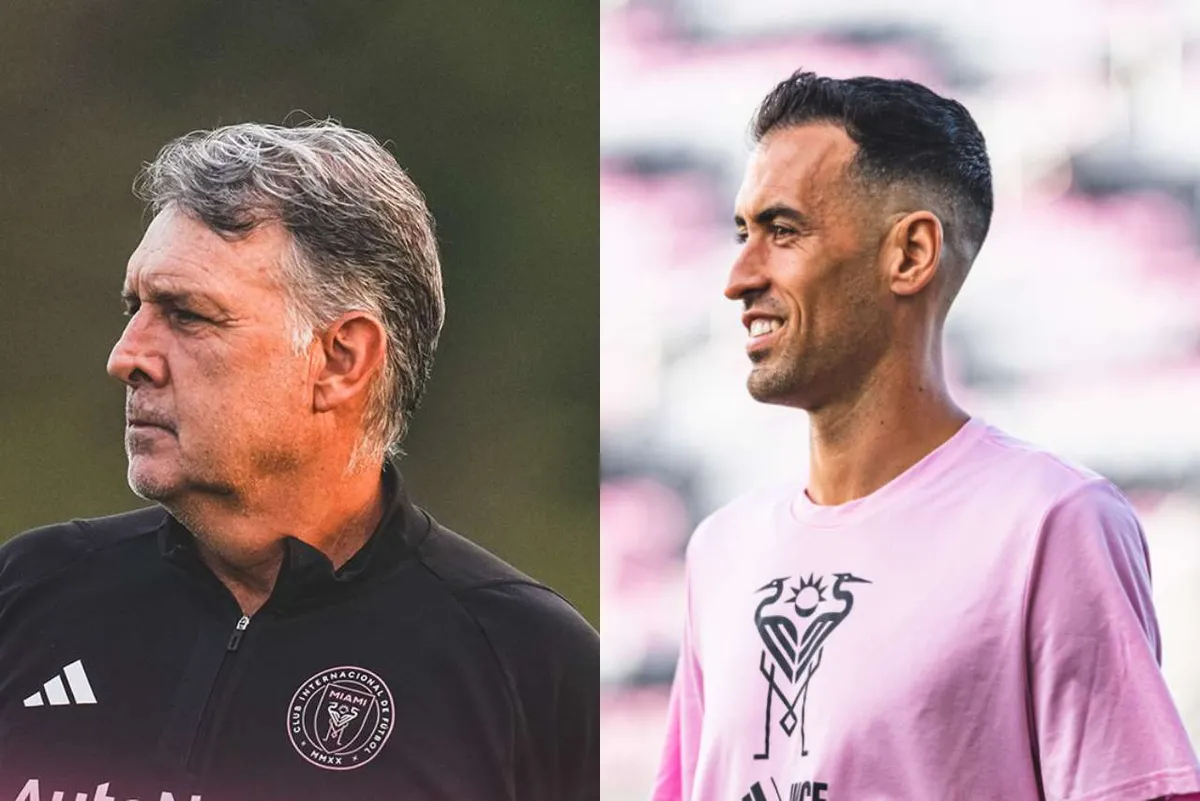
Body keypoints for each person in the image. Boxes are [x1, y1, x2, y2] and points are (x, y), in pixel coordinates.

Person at [0, 121, 598, 801]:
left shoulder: (529, 666)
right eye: (135, 307)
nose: (127, 355)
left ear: (342, 360)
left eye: (188, 315)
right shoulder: (31, 593)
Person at [652, 72, 1200, 801]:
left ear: (909, 254)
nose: (739, 276)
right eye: (742, 233)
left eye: (782, 232)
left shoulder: (1049, 524)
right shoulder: (721, 552)